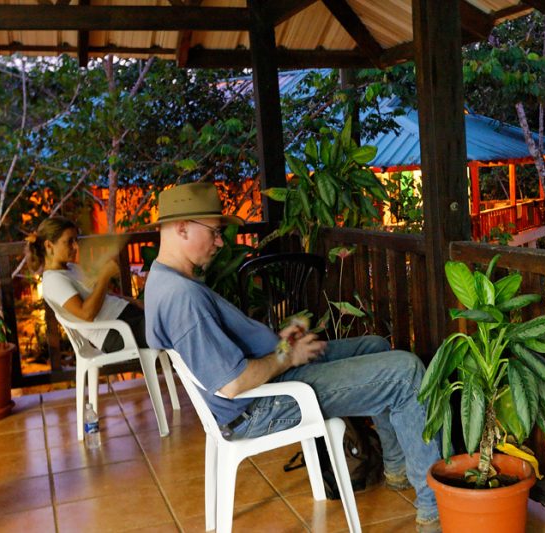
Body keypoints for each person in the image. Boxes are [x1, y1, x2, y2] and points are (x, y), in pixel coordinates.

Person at [143, 182, 442, 532]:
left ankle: (397, 467)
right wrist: (288, 355)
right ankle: (434, 509)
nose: (221, 242)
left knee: (373, 344)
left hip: (272, 380)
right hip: (265, 404)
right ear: (181, 228)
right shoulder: (182, 298)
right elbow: (231, 383)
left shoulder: (163, 281)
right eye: (215, 232)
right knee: (406, 373)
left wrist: (279, 345)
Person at [25, 216, 147, 352]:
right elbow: (86, 314)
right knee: (171, 325)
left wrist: (134, 302)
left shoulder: (71, 268)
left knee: (170, 316)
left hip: (128, 318)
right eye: (69, 241)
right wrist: (104, 276)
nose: (76, 246)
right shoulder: (53, 281)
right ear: (49, 245)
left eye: (76, 240)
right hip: (117, 332)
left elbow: (100, 295)